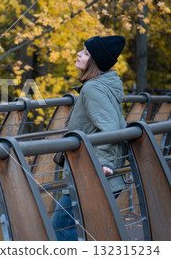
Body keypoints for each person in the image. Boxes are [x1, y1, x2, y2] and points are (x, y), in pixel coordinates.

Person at [51, 35, 127, 241]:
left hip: (92, 173)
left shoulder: (93, 88)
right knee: (77, 230)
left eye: (85, 53)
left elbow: (110, 127)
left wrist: (104, 163)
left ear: (94, 61)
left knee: (59, 230)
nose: (78, 53)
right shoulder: (103, 85)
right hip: (92, 172)